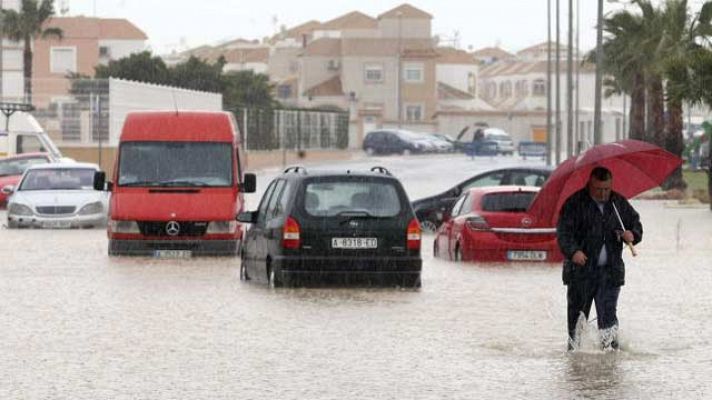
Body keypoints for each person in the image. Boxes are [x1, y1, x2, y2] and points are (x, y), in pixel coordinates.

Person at [557, 166, 643, 351]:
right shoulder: (574, 203)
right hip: (580, 273)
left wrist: (632, 235)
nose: (604, 194)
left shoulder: (618, 203)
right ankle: (575, 363)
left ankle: (610, 362)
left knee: (608, 320)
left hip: (609, 274)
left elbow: (636, 224)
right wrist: (573, 252)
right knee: (577, 321)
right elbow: (563, 234)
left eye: (607, 189)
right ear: (590, 184)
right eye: (599, 189)